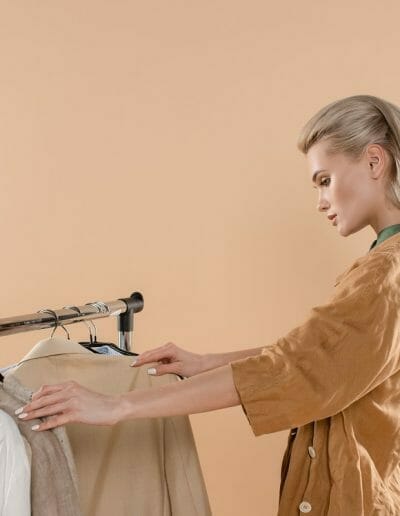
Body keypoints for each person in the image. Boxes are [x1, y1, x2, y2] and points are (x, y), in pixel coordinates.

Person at [14, 94, 400, 514]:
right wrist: (207, 363)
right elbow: (323, 355)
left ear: (374, 161)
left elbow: (296, 368)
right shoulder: (387, 267)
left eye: (324, 180)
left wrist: (116, 405)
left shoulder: (383, 275)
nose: (320, 201)